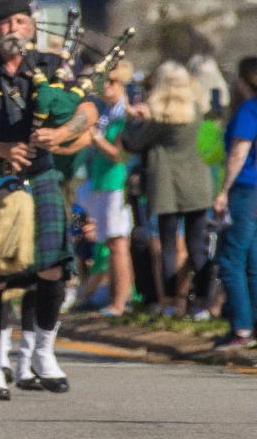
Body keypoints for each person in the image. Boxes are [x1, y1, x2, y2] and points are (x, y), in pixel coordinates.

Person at [0, 0, 95, 400]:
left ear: (32, 26)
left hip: (41, 178)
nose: (13, 29)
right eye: (5, 23)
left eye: (20, 21)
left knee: (53, 272)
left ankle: (42, 353)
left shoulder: (52, 68)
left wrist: (60, 134)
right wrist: (0, 149)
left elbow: (88, 113)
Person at [121, 62, 212, 317]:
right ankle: (202, 300)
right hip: (197, 181)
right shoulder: (196, 109)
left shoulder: (159, 113)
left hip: (167, 184)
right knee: (197, 245)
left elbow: (133, 143)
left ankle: (172, 301)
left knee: (168, 244)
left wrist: (134, 120)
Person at [75, 61, 135, 316]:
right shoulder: (105, 111)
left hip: (116, 183)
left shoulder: (124, 114)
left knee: (118, 242)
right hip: (101, 181)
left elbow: (119, 155)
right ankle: (114, 298)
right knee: (109, 243)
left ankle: (121, 301)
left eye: (111, 82)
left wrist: (96, 138)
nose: (106, 87)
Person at [215, 56, 257, 349]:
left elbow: (239, 152)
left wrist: (223, 190)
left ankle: (241, 327)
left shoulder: (248, 110)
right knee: (253, 260)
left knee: (231, 259)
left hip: (245, 189)